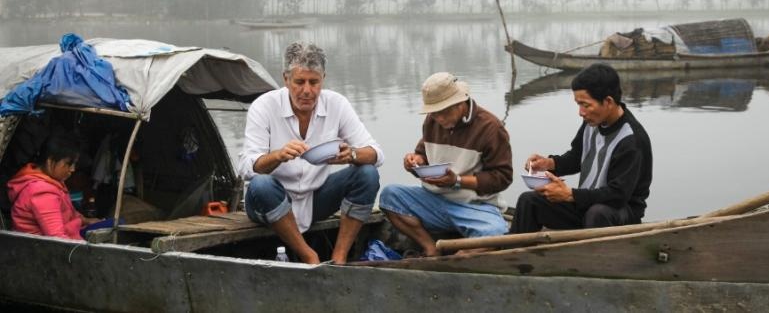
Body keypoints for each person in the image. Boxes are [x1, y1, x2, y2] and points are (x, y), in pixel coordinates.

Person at [238, 42, 382, 265]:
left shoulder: (337, 104)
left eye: (314, 82)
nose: (307, 90)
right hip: (270, 201)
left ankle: (340, 256)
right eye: (299, 82)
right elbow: (247, 168)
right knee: (262, 185)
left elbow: (376, 154)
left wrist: (351, 154)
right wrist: (277, 156)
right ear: (286, 79)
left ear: (323, 78)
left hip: (315, 198)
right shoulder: (264, 106)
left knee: (367, 174)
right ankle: (308, 255)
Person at [379, 72, 513, 257]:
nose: (439, 118)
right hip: (434, 200)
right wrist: (415, 161)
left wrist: (457, 180)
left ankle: (457, 258)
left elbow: (502, 178)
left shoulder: (490, 128)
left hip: (474, 206)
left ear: (460, 103)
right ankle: (430, 248)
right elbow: (422, 154)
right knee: (389, 196)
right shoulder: (432, 121)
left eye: (443, 112)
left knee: (496, 233)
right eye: (434, 113)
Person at [510, 63, 652, 233]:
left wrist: (571, 194)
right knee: (529, 201)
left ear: (608, 101)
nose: (581, 112)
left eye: (586, 105)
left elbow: (618, 195)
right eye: (578, 104)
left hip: (619, 213)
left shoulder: (632, 139)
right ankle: (514, 252)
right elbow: (577, 158)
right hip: (587, 203)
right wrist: (549, 164)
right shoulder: (592, 122)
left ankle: (590, 258)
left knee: (597, 213)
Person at [7, 132, 99, 240]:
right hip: (42, 250)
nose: (73, 169)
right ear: (50, 161)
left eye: (74, 164)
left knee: (113, 224)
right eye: (69, 164)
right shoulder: (40, 191)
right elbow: (57, 240)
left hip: (72, 232)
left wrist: (86, 220)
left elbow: (69, 213)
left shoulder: (52, 181)